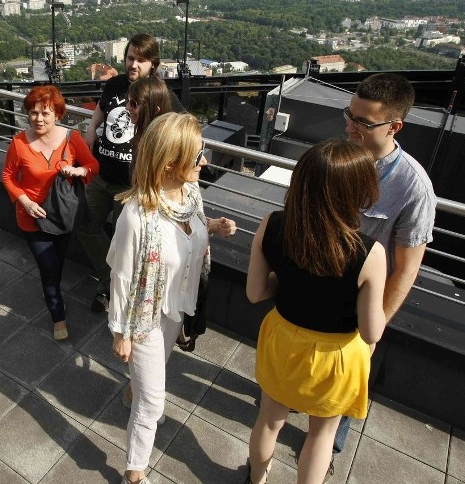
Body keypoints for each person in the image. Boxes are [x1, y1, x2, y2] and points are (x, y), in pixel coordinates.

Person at [245, 139, 387, 484]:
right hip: (336, 354)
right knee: (321, 435)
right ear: (358, 190)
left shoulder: (273, 224)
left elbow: (255, 293)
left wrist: (289, 281)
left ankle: (257, 480)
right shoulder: (370, 252)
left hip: (282, 339)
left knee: (268, 420)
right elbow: (371, 332)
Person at [109, 113, 236, 484]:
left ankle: (135, 391)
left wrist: (213, 227)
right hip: (143, 317)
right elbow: (121, 275)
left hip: (177, 305)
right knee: (154, 403)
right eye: (197, 155)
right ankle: (134, 472)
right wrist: (121, 332)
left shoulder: (191, 193)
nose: (205, 161)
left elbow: (187, 231)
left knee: (154, 374)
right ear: (169, 162)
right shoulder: (136, 215)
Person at [328, 72, 437, 479]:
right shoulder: (339, 155)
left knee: (346, 385)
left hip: (361, 307)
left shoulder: (412, 188)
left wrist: (373, 329)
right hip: (320, 291)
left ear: (395, 126)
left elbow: (407, 269)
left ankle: (331, 442)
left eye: (363, 122)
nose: (350, 127)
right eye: (349, 115)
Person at [79, 33, 184, 313]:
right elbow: (102, 108)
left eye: (141, 60)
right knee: (84, 225)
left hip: (130, 185)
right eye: (130, 58)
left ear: (153, 64)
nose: (133, 64)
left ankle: (112, 288)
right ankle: (109, 278)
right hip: (102, 173)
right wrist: (91, 129)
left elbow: (184, 124)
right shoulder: (115, 84)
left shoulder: (160, 93)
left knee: (121, 242)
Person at [2, 86, 99, 341]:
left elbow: (92, 165)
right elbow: (8, 176)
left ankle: (54, 295)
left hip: (61, 215)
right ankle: (58, 317)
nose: (39, 119)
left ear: (57, 114)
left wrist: (79, 172)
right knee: (48, 268)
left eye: (45, 113)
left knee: (57, 264)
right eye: (33, 113)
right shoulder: (19, 142)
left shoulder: (71, 139)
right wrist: (24, 201)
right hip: (32, 217)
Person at [125, 75, 173, 168]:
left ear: (155, 109)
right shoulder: (145, 136)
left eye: (134, 103)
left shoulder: (164, 146)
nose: (127, 107)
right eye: (128, 100)